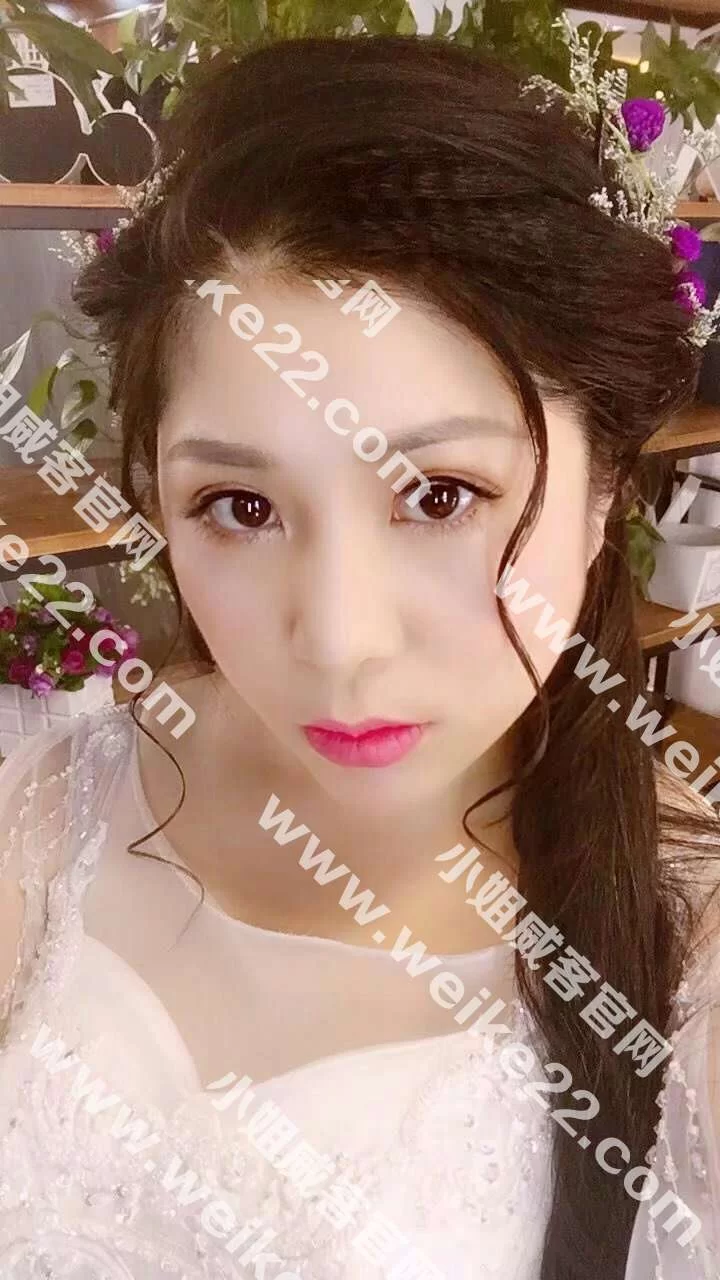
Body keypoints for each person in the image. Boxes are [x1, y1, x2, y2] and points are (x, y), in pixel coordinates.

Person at [0, 29, 718, 1280]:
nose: (336, 640)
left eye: (441, 496)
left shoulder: (687, 944)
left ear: (606, 483)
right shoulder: (55, 800)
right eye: (239, 505)